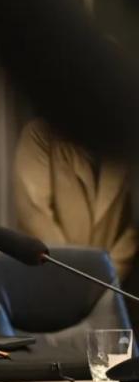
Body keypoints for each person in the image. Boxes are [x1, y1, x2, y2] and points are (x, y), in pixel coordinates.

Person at [14, 118, 137, 284]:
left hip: (104, 288)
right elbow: (36, 216)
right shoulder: (39, 134)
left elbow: (129, 231)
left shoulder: (122, 148)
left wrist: (105, 282)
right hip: (46, 281)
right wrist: (74, 278)